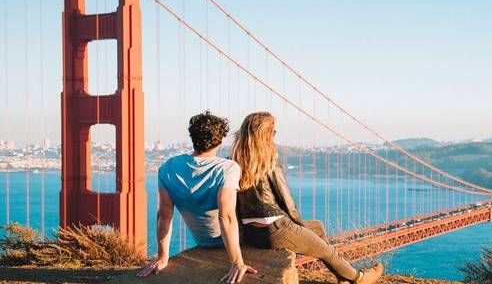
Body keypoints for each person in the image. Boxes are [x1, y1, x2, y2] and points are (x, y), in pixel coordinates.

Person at [231, 112, 383, 284]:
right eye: (273, 132)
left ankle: (342, 276)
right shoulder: (269, 161)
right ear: (266, 134)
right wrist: (298, 225)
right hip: (276, 229)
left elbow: (234, 204)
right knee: (327, 251)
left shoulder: (234, 161)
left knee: (317, 227)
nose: (274, 137)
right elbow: (287, 201)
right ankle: (359, 278)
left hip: (253, 233)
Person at [137, 111, 254, 284]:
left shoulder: (167, 167)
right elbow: (226, 216)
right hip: (241, 239)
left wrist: (163, 257)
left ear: (192, 137)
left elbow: (164, 215)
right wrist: (237, 262)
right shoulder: (228, 168)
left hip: (203, 242)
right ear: (220, 140)